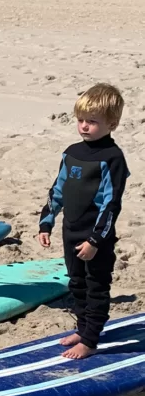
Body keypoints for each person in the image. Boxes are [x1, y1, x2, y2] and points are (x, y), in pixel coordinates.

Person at [38, 84, 128, 359]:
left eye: (92, 121)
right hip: (70, 231)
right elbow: (58, 189)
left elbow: (111, 204)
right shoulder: (71, 152)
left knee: (96, 286)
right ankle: (82, 327)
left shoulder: (112, 158)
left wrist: (95, 240)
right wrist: (46, 222)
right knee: (76, 283)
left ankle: (89, 340)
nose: (85, 127)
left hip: (95, 238)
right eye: (81, 121)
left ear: (112, 124)